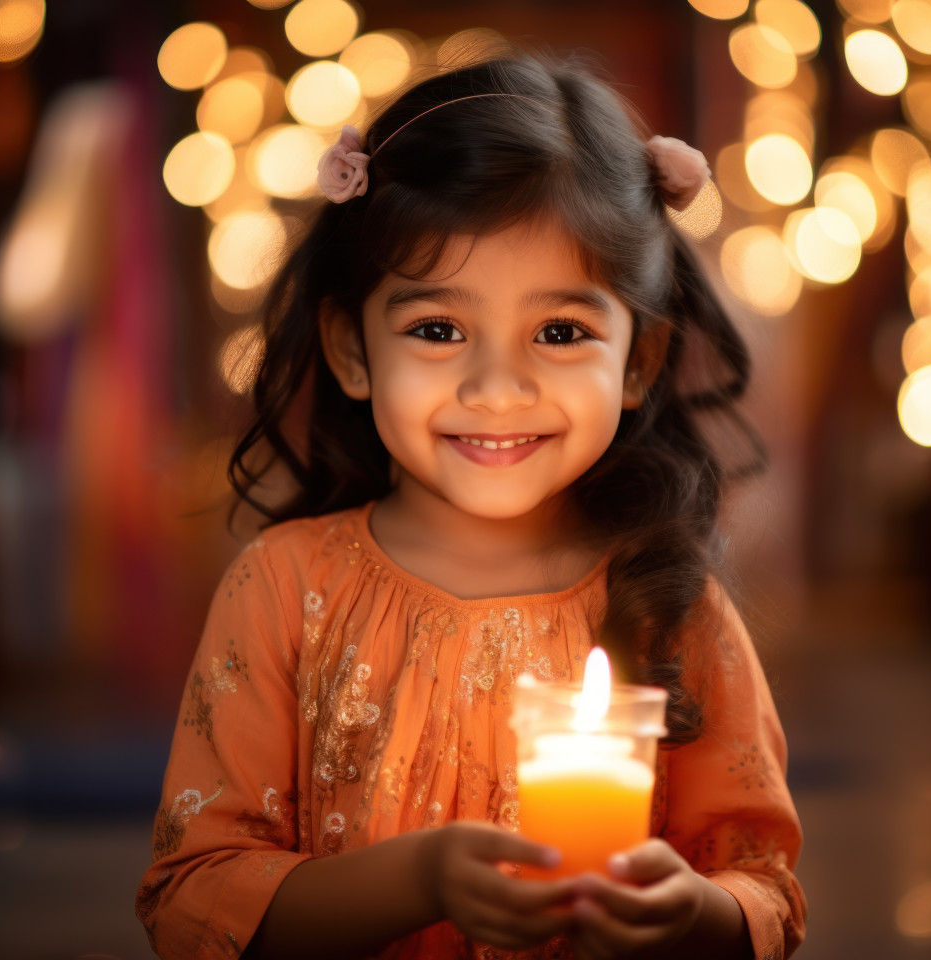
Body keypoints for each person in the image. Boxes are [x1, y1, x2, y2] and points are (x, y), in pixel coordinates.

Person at [137, 46, 806, 960]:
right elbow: (190, 899)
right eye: (438, 329)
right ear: (353, 350)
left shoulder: (672, 606)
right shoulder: (284, 589)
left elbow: (762, 885)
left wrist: (695, 915)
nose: (498, 387)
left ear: (640, 361)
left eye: (562, 332)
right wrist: (422, 881)